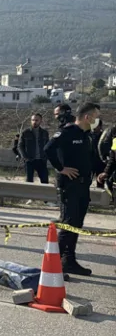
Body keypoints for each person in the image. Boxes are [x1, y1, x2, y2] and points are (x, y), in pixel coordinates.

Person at [44, 102, 101, 276]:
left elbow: (93, 160)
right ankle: (54, 266)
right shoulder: (67, 132)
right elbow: (48, 149)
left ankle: (69, 261)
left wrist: (103, 173)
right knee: (68, 225)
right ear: (87, 117)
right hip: (69, 186)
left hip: (83, 186)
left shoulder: (87, 136)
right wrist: (61, 168)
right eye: (96, 116)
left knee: (77, 224)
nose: (98, 120)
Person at [18, 113, 50, 184]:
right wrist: (25, 157)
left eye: (36, 120)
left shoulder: (45, 133)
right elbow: (20, 146)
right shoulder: (25, 132)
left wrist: (46, 157)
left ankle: (43, 195)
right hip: (30, 161)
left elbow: (48, 146)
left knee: (45, 181)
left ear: (40, 121)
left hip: (41, 160)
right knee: (29, 182)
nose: (34, 122)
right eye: (32, 120)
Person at [90, 119, 105, 189]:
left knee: (100, 182)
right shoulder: (89, 135)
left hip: (100, 162)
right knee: (87, 181)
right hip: (90, 161)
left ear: (100, 126)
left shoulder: (104, 136)